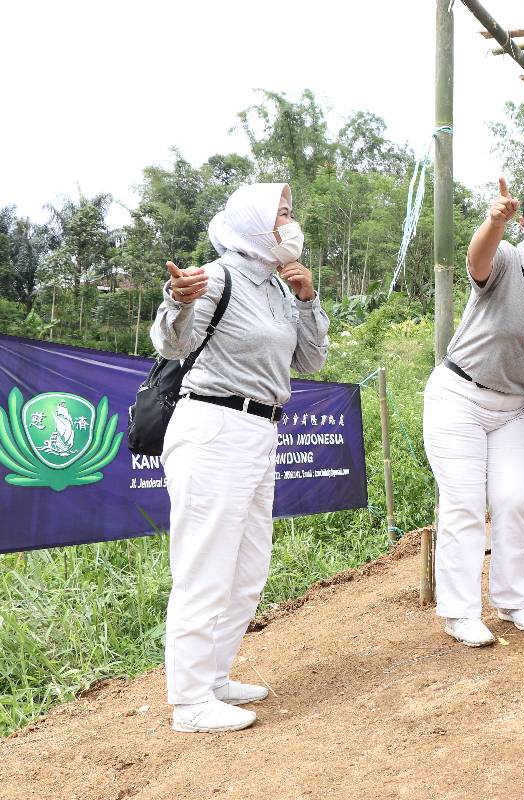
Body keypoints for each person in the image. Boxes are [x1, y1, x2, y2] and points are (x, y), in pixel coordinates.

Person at [151, 183, 330, 733]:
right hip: (213, 425)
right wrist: (177, 302)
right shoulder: (217, 277)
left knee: (248, 568)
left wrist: (307, 299)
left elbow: (312, 360)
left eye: (290, 213)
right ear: (252, 222)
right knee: (205, 565)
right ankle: (188, 701)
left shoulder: (277, 285)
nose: (290, 223)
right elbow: (171, 345)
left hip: (260, 431)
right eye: (281, 214)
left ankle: (213, 675)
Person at [423, 180, 524, 647]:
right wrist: (495, 221)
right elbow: (477, 260)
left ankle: (513, 600)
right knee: (465, 504)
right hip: (460, 398)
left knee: (514, 501)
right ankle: (459, 611)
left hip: (514, 408)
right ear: (523, 222)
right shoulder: (508, 258)